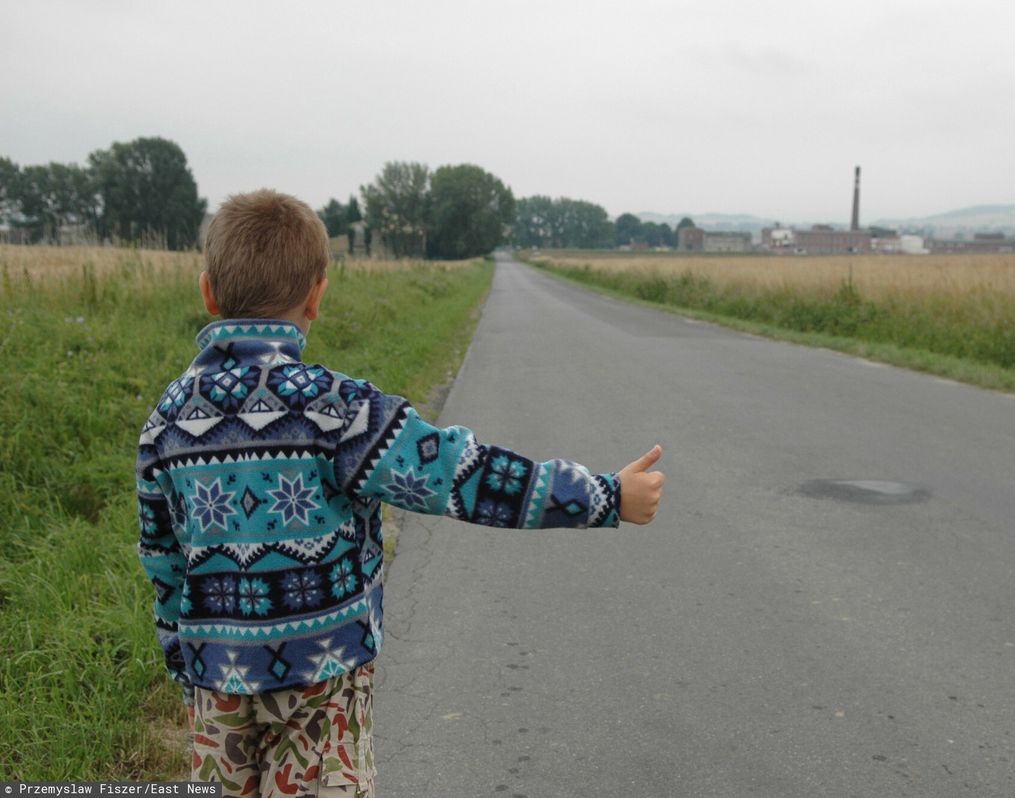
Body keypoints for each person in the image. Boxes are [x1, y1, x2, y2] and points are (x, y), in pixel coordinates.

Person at [135, 189, 665, 796]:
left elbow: (164, 564)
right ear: (317, 294)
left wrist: (187, 676)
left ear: (207, 291)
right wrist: (602, 495)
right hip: (324, 681)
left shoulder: (166, 421)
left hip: (217, 684)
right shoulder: (338, 410)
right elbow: (461, 475)